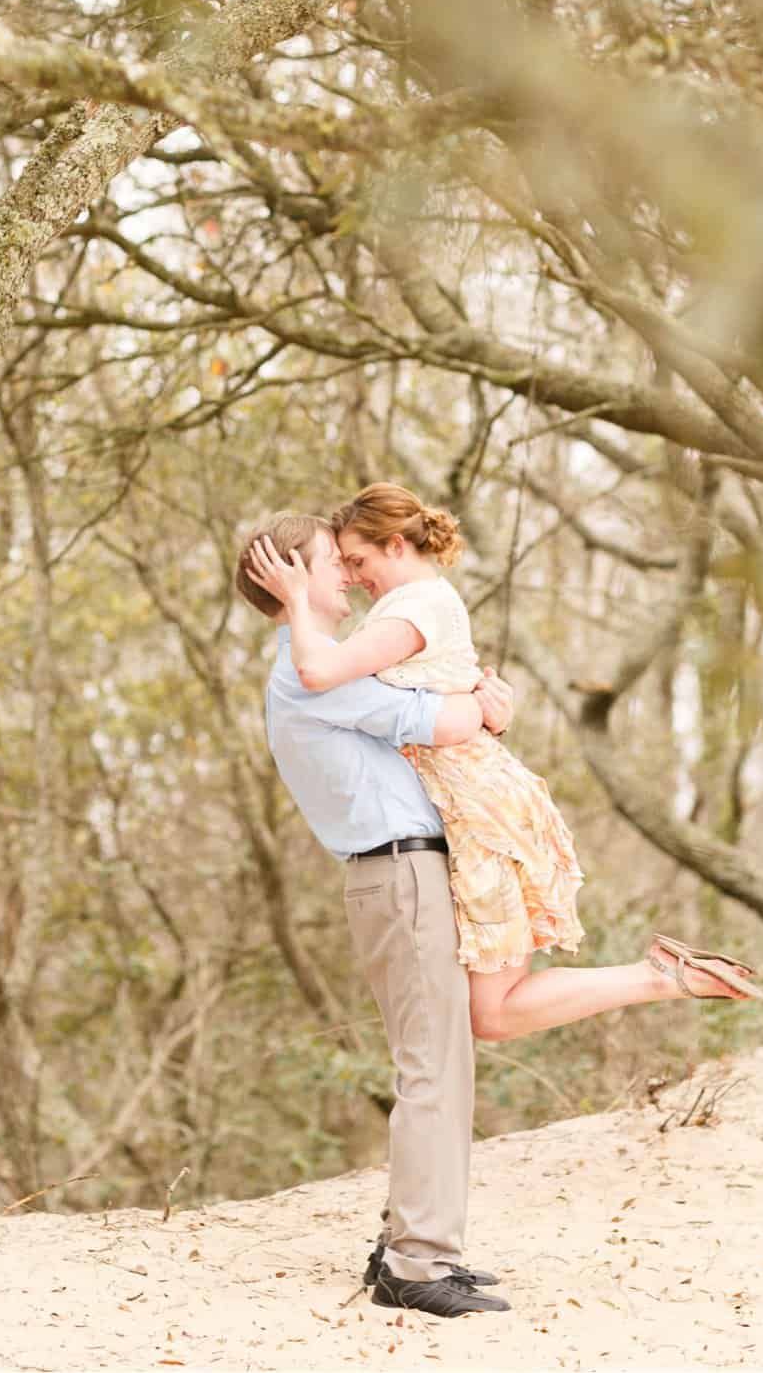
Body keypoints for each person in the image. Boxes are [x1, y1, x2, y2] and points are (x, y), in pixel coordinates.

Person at [246, 482, 763, 1055]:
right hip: (477, 805)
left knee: (491, 1012)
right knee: (491, 1013)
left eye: (359, 560)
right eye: (342, 564)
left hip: (482, 812)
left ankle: (658, 977)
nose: (354, 575)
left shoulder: (413, 607)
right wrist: (484, 712)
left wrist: (296, 599)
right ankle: (660, 975)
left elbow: (318, 675)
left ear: (396, 545)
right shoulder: (412, 606)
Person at [235, 511, 514, 1319]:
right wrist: (486, 705)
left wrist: (481, 696)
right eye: (329, 564)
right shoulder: (308, 668)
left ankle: (415, 1243)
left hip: (407, 872)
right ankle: (415, 1260)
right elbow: (454, 722)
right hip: (399, 874)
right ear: (287, 579)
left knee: (441, 1065)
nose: (347, 577)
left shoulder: (318, 667)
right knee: (432, 1068)